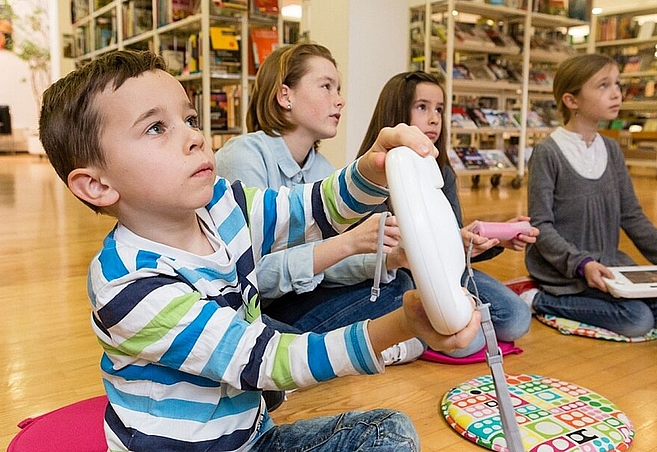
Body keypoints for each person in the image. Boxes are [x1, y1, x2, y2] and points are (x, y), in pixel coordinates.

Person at [38, 49, 480, 452]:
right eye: (156, 128)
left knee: (390, 433)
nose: (195, 137)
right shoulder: (128, 285)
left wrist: (371, 167)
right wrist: (402, 324)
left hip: (251, 434)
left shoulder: (224, 203)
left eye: (190, 119)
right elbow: (271, 359)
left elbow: (312, 208)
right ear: (96, 184)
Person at [216, 43, 423, 366]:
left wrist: (391, 259)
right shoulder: (242, 157)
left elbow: (328, 268)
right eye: (326, 86)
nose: (339, 99)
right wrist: (347, 243)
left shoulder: (322, 169)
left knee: (399, 283)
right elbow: (245, 276)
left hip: (295, 301)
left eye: (338, 88)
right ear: (285, 96)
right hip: (253, 308)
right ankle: (353, 349)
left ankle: (321, 352)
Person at [522, 53, 657, 337]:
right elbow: (540, 226)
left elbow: (631, 214)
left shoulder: (611, 149)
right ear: (572, 101)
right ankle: (539, 300)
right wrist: (582, 263)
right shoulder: (548, 152)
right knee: (636, 320)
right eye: (603, 86)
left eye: (617, 84)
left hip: (610, 266)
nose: (616, 93)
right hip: (567, 272)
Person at [356, 71, 536, 357]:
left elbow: (455, 240)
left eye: (439, 109)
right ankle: (410, 334)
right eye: (422, 107)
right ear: (397, 111)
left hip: (451, 271)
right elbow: (380, 253)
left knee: (517, 319)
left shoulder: (442, 172)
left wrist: (494, 239)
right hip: (405, 279)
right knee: (470, 342)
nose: (434, 118)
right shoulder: (372, 175)